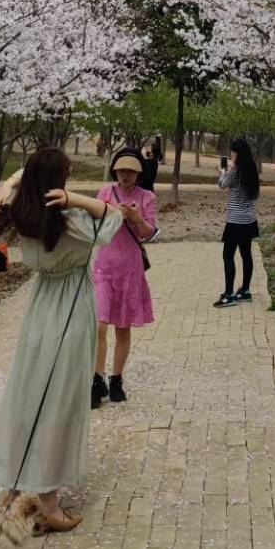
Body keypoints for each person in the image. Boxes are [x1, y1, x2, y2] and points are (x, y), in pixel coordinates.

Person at [0, 147, 122, 532]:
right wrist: (74, 198)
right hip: (71, 310)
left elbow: (0, 199)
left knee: (30, 394)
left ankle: (14, 489)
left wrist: (16, 180)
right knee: (58, 401)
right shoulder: (71, 218)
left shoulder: (20, 210)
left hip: (40, 309)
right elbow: (112, 218)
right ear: (59, 181)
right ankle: (47, 501)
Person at [91, 148, 158, 409]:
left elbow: (150, 232)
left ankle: (116, 378)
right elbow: (93, 223)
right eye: (121, 170)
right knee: (99, 325)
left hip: (130, 268)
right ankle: (97, 378)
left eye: (130, 171)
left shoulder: (147, 197)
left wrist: (138, 219)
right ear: (115, 171)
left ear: (139, 173)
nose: (125, 175)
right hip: (104, 267)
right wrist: (110, 212)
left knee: (123, 326)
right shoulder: (106, 193)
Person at [214, 138, 260, 307]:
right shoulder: (252, 169)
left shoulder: (236, 170)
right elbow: (255, 195)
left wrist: (222, 171)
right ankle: (245, 290)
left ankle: (228, 295)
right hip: (249, 220)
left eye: (233, 151)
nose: (231, 154)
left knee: (228, 255)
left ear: (237, 153)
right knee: (246, 254)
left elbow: (222, 185)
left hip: (235, 221)